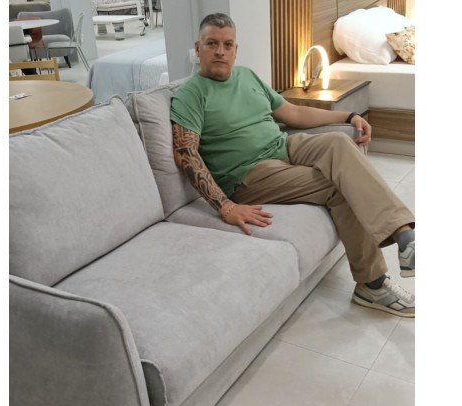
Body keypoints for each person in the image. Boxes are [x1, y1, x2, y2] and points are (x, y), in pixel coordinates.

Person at [170, 13, 415, 317]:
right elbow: (186, 154)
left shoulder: (247, 76)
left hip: (283, 146)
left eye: (227, 44)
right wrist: (225, 207)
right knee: (338, 184)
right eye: (212, 44)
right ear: (198, 48)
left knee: (339, 143)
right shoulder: (190, 94)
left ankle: (404, 234)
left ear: (236, 49)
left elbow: (294, 114)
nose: (220, 51)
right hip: (250, 174)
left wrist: (348, 116)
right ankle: (373, 284)